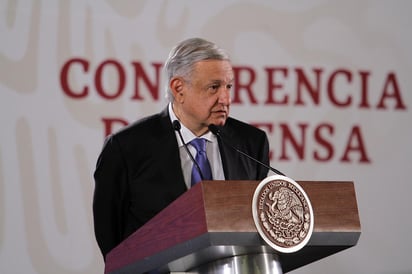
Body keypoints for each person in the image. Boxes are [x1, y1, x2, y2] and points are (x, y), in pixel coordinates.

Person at [92, 37, 270, 260]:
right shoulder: (126, 147)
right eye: (213, 87)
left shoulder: (251, 143)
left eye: (228, 86)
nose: (225, 98)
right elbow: (111, 238)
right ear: (178, 89)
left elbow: (259, 226)